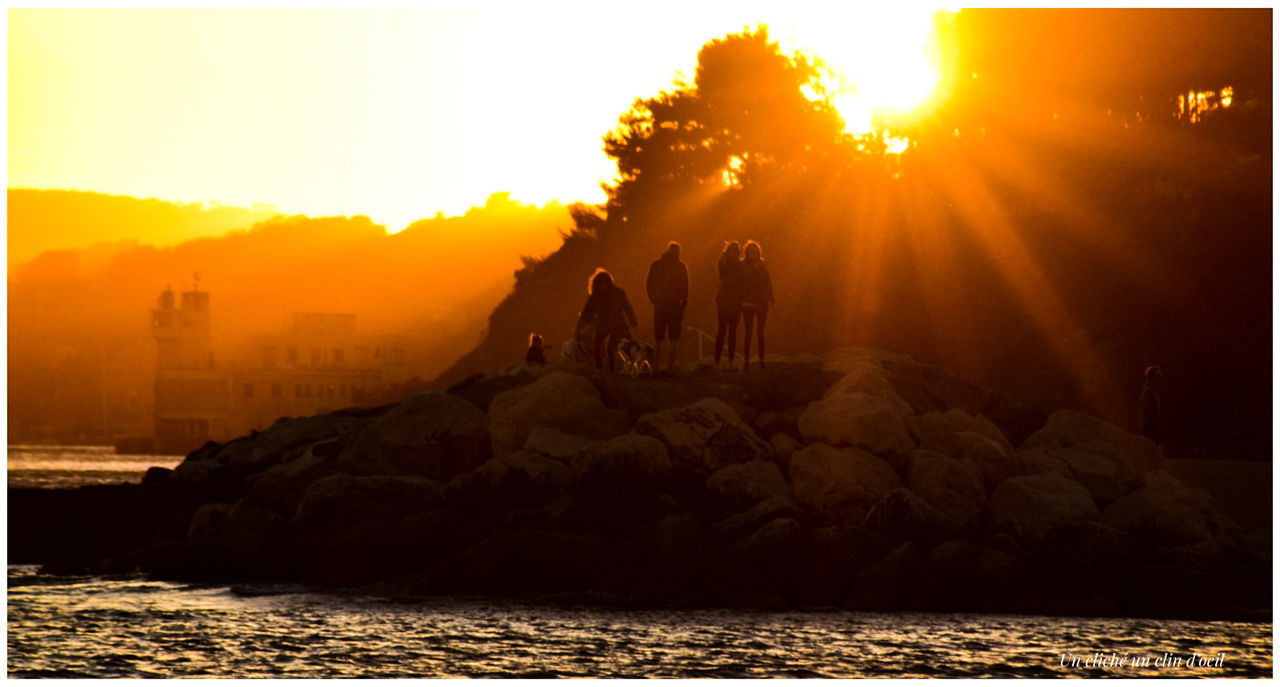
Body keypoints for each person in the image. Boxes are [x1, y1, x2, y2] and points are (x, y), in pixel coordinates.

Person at [574, 268, 637, 373]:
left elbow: (628, 308)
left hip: (617, 324)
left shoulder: (618, 293)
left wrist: (634, 323)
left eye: (604, 284)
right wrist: (578, 328)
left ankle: (612, 370)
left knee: (610, 347)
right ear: (596, 285)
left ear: (609, 283)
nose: (602, 287)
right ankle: (599, 368)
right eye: (600, 285)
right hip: (602, 324)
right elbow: (586, 313)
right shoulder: (595, 296)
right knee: (597, 345)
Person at [645, 241, 689, 371]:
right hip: (674, 307)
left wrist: (653, 299)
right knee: (672, 340)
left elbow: (648, 284)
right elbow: (686, 287)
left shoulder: (656, 265)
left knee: (659, 339)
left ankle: (655, 368)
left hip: (661, 306)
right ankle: (668, 368)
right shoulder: (681, 266)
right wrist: (683, 303)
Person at [739, 240, 774, 371]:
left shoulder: (762, 266)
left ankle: (761, 361)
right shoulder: (742, 266)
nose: (753, 254)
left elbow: (767, 282)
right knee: (748, 333)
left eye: (755, 251)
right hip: (748, 303)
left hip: (761, 303)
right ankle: (746, 361)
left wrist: (771, 298)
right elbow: (740, 283)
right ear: (746, 252)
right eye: (751, 251)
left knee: (760, 333)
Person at [714, 241, 743, 367]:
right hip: (727, 301)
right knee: (723, 332)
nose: (737, 254)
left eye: (738, 251)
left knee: (730, 332)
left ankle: (725, 361)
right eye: (735, 251)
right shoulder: (725, 264)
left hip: (732, 301)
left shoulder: (727, 264)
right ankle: (719, 361)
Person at [1140, 365, 1162, 448]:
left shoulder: (1152, 391)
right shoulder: (1148, 392)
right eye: (1157, 376)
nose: (1158, 379)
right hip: (1150, 427)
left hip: (1153, 426)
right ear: (1152, 377)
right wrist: (1153, 424)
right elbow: (1146, 411)